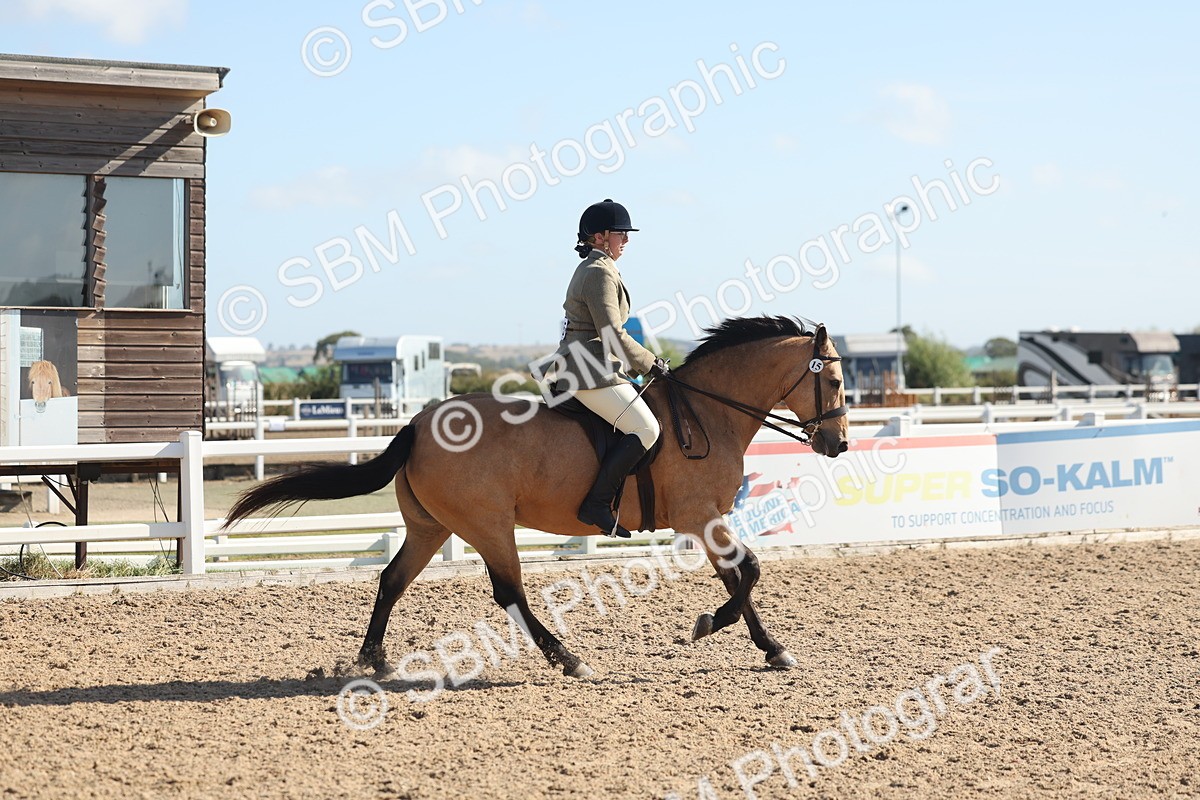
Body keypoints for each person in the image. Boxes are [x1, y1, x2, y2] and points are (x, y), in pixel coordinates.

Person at [550, 199, 669, 538]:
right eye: (621, 234)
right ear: (601, 237)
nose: (626, 241)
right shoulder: (599, 272)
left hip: (591, 365)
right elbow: (612, 333)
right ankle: (597, 503)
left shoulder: (598, 267)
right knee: (647, 429)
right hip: (588, 369)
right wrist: (650, 364)